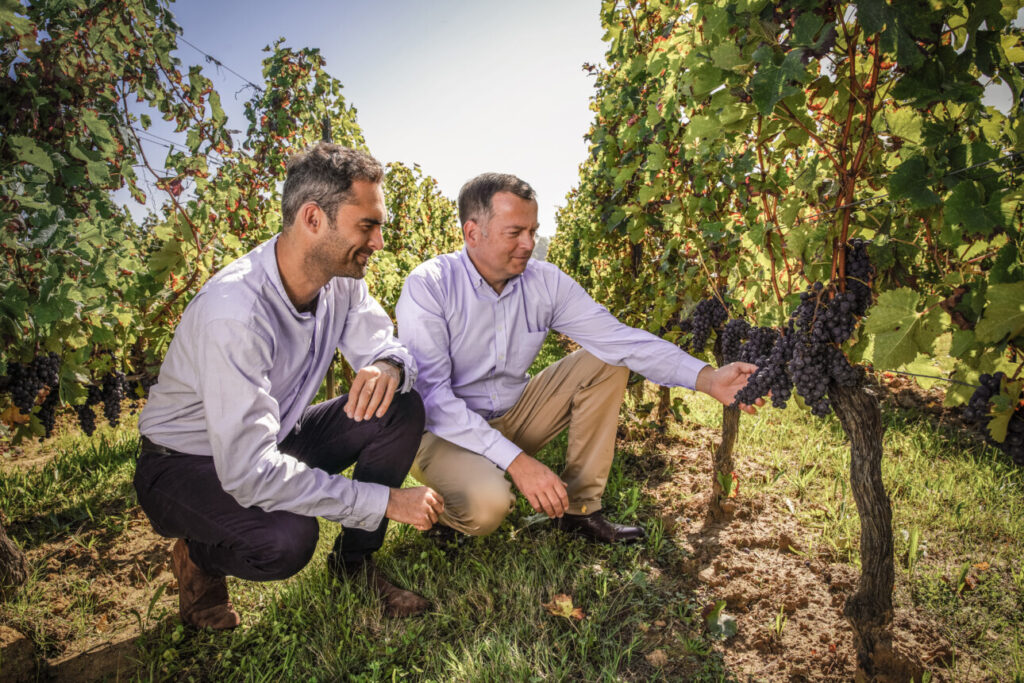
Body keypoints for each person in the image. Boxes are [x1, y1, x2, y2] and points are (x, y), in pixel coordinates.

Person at [135, 144, 444, 629]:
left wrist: (387, 365)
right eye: (367, 225)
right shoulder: (235, 312)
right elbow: (249, 471)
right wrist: (385, 501)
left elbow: (386, 344)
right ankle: (199, 558)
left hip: (275, 435)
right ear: (314, 218)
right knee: (285, 540)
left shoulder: (340, 279)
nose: (379, 242)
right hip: (184, 465)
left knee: (399, 406)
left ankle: (354, 565)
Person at [395, 173, 760, 544]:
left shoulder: (545, 282)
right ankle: (447, 515)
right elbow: (436, 402)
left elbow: (619, 340)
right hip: (441, 433)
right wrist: (518, 464)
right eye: (515, 232)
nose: (528, 244)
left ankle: (580, 511)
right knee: (488, 506)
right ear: (473, 233)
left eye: (533, 231)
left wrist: (707, 378)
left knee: (608, 358)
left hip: (512, 415)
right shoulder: (430, 286)